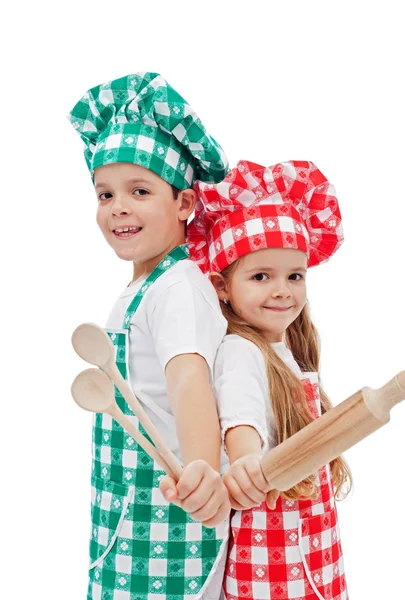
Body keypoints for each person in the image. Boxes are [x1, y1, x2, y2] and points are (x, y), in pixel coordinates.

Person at [68, 71, 232, 600]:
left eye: (140, 190)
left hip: (172, 520)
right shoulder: (146, 286)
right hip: (132, 514)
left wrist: (204, 476)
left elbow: (189, 381)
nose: (118, 206)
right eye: (105, 193)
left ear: (184, 205)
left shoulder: (178, 289)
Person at [191, 160, 352, 599]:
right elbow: (241, 419)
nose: (283, 290)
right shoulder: (240, 350)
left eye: (294, 276)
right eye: (261, 276)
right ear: (222, 286)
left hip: (309, 540)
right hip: (271, 548)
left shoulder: (288, 348)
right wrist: (244, 460)